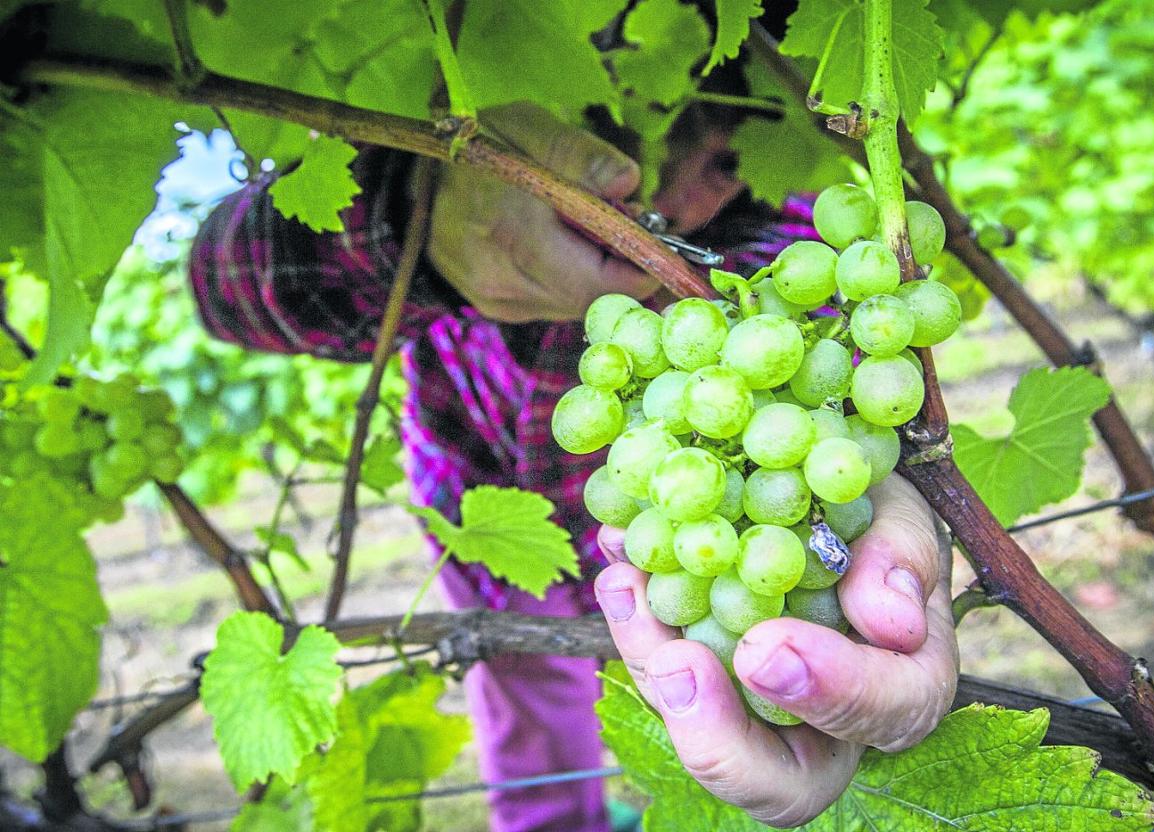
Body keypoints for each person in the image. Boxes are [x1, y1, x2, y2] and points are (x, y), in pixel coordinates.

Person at [189, 99, 958, 831]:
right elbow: (221, 285)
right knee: (530, 718)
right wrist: (413, 212)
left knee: (701, 711)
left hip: (675, 551)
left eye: (724, 161)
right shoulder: (474, 166)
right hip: (482, 521)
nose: (680, 193)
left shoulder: (788, 254)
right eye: (651, 148)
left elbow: (847, 390)